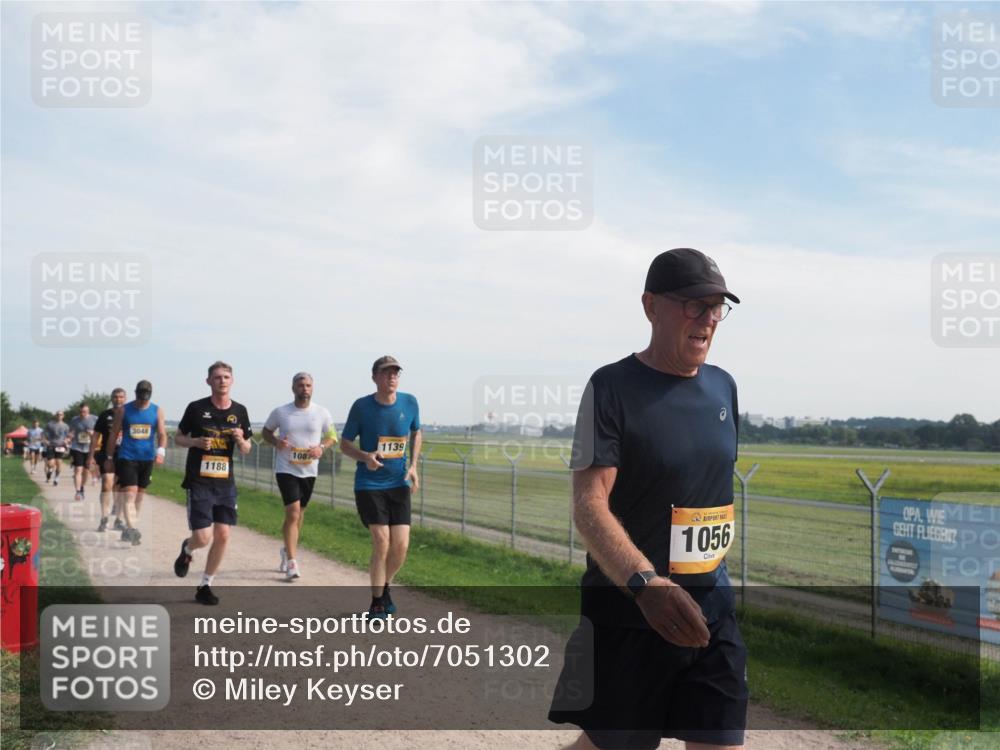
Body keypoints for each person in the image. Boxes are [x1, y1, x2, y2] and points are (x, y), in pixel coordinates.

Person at [549, 248, 746, 750]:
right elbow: (589, 503)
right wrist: (645, 582)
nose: (708, 319)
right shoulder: (611, 387)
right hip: (630, 613)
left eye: (717, 307)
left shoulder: (724, 388)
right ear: (650, 305)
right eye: (694, 306)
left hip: (711, 614)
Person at [340, 355, 421, 618]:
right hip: (369, 484)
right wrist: (366, 457)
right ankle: (376, 603)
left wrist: (414, 465)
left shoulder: (410, 402)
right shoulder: (362, 407)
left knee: (401, 546)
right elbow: (345, 444)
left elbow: (416, 431)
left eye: (396, 372)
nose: (392, 376)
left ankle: (383, 587)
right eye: (386, 372)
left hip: (399, 484)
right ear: (374, 377)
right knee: (382, 541)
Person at [172, 361, 252, 606]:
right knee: (203, 537)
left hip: (225, 483)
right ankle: (188, 549)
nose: (222, 381)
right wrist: (195, 443)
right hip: (199, 481)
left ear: (232, 380)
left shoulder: (239, 411)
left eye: (226, 377)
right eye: (217, 377)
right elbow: (178, 438)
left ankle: (205, 584)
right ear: (208, 381)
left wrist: (240, 440)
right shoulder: (196, 409)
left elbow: (247, 448)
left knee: (224, 534)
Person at [261, 372, 338, 581]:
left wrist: (321, 447)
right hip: (286, 468)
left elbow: (332, 437)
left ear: (313, 388)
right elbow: (266, 432)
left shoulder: (321, 412)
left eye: (308, 385)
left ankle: (287, 550)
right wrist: (277, 442)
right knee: (293, 513)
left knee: (299, 514)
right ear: (293, 388)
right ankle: (292, 563)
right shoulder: (281, 412)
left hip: (309, 470)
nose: (305, 388)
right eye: (301, 385)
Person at [105, 381, 167, 545]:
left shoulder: (157, 411)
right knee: (130, 493)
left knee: (140, 494)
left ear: (150, 393)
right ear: (135, 392)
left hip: (147, 458)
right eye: (140, 392)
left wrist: (161, 451)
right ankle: (132, 528)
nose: (143, 396)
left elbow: (162, 434)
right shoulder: (124, 410)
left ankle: (130, 525)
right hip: (127, 456)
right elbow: (113, 434)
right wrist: (109, 458)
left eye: (146, 392)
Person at [91, 388, 127, 532]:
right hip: (108, 454)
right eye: (115, 397)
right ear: (111, 398)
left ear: (125, 398)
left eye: (121, 397)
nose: (118, 399)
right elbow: (95, 436)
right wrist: (90, 456)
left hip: (125, 454)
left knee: (120, 488)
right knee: (107, 484)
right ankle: (104, 518)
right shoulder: (105, 415)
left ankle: (118, 519)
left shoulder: (129, 415)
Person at [68, 404, 98, 502]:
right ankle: (77, 491)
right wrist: (69, 436)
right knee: (78, 469)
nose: (82, 414)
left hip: (89, 448)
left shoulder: (94, 419)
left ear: (88, 411)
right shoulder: (74, 420)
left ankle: (81, 488)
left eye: (84, 412)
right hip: (77, 447)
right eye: (81, 412)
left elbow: (100, 432)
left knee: (86, 471)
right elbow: (70, 432)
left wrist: (92, 433)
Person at [43, 411, 70, 485]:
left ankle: (56, 478)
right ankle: (50, 470)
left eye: (60, 414)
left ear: (63, 416)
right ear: (56, 415)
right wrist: (45, 441)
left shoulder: (66, 426)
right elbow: (44, 434)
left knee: (59, 463)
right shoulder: (50, 424)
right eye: (58, 414)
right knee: (50, 463)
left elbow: (68, 436)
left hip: (60, 446)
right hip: (51, 445)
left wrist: (67, 441)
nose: (59, 416)